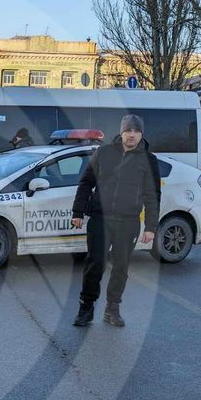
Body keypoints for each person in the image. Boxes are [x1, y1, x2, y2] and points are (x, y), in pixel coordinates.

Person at [70, 114, 161, 328]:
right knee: (95, 265)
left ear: (141, 134)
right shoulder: (103, 153)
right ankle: (86, 308)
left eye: (136, 131)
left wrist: (150, 227)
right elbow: (85, 183)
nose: (132, 135)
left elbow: (152, 195)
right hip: (100, 219)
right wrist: (78, 212)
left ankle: (113, 308)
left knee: (121, 267)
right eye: (128, 130)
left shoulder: (149, 160)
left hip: (128, 222)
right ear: (121, 132)